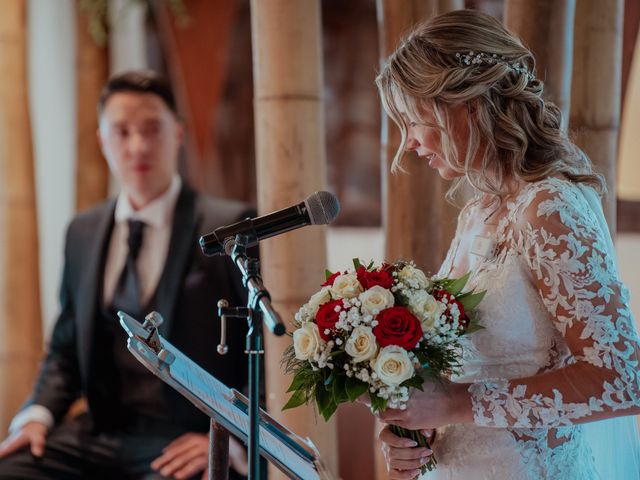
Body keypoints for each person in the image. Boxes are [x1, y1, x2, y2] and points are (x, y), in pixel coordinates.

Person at [372, 9, 640, 480]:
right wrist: (414, 430)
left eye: (414, 120)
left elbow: (622, 381)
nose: (409, 144)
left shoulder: (550, 209)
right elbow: (468, 372)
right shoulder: (480, 213)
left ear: (467, 105)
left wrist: (455, 404)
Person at [0, 70, 253, 480]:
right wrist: (36, 415)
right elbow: (65, 347)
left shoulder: (228, 226)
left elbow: (259, 353)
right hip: (97, 434)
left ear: (178, 134)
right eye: (122, 132)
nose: (138, 146)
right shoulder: (81, 231)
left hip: (186, 436)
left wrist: (231, 434)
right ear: (102, 141)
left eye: (153, 129)